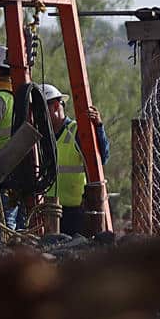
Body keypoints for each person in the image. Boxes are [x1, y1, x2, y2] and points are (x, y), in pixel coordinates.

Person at [39, 84, 109, 236]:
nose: (38, 116)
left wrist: (98, 128)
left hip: (75, 212)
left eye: (41, 110)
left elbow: (101, 158)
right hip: (49, 210)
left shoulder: (76, 131)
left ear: (56, 106)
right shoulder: (41, 136)